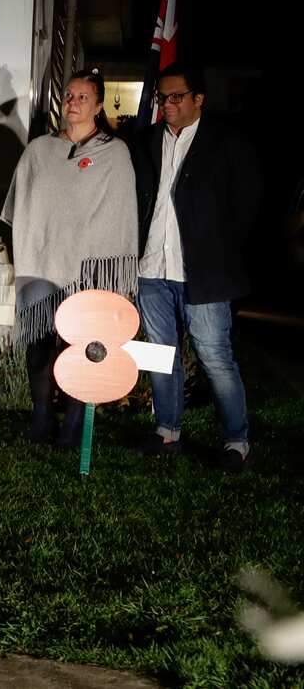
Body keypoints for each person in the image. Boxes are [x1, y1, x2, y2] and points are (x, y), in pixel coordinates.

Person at [133, 61, 261, 473]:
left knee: (214, 356)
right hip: (152, 268)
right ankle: (167, 430)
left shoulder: (226, 142)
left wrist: (221, 250)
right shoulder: (148, 140)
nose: (167, 104)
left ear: (198, 98)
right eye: (162, 97)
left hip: (204, 272)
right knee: (158, 353)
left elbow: (247, 202)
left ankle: (236, 441)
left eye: (176, 97)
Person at [1, 69, 138, 446]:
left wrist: (110, 275)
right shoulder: (39, 150)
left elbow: (120, 215)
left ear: (97, 105)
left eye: (82, 97)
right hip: (43, 264)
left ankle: (74, 426)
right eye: (69, 96)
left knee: (83, 347)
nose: (73, 102)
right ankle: (41, 419)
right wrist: (24, 254)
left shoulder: (114, 153)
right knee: (41, 345)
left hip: (89, 270)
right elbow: (20, 209)